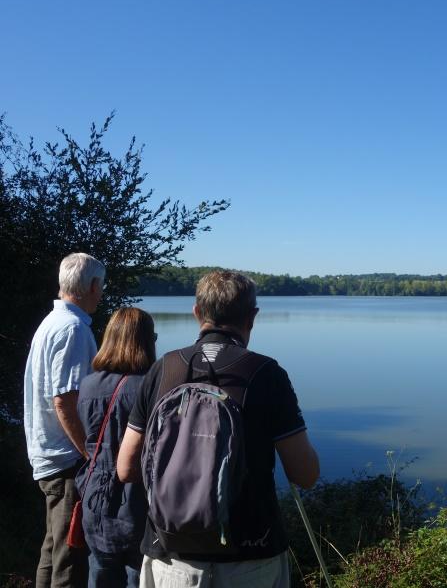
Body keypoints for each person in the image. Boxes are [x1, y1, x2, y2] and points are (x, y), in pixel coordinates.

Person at [118, 270, 319, 588]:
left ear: (197, 312)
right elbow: (305, 474)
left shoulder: (163, 369)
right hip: (250, 556)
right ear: (252, 317)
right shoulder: (266, 373)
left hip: (170, 555)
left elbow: (126, 468)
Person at [23, 252, 105, 588]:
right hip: (65, 460)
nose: (102, 294)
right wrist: (90, 455)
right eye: (101, 287)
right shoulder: (72, 329)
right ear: (91, 286)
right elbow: (65, 402)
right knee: (69, 560)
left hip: (50, 453)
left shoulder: (53, 322)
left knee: (53, 549)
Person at [75, 308, 156, 587]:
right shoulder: (150, 388)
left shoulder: (88, 385)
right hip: (137, 501)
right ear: (146, 342)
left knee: (99, 573)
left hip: (95, 498)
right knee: (140, 576)